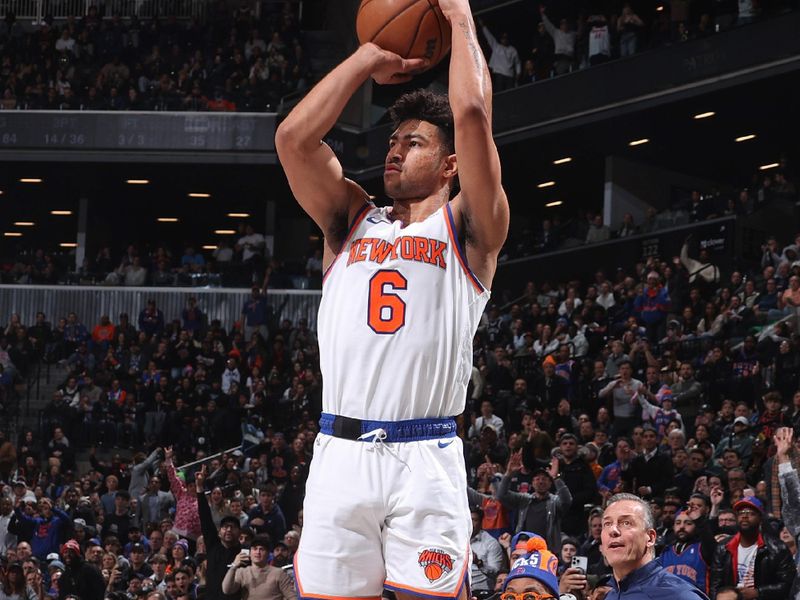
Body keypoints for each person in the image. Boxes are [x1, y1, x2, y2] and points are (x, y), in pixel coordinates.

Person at [274, 0, 509, 596]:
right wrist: (365, 58)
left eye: (415, 143)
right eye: (393, 140)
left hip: (424, 452)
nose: (395, 150)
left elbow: (474, 112)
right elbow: (294, 140)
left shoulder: (470, 227)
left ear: (450, 163)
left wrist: (458, 20)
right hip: (339, 449)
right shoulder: (350, 218)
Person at [600, 493, 709, 599]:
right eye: (607, 524)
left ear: (650, 538)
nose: (613, 530)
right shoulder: (608, 595)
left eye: (626, 523)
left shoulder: (680, 595)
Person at [708, 495, 795, 599]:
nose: (745, 516)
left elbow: (788, 585)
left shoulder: (777, 548)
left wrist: (758, 592)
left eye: (751, 513)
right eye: (741, 513)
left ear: (760, 518)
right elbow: (715, 586)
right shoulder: (723, 548)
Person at [497, 453, 571, 553]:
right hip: (525, 550)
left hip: (547, 551)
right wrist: (508, 474)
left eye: (544, 479)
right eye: (537, 479)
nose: (541, 481)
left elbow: (567, 501)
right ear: (532, 483)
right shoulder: (524, 499)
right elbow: (501, 496)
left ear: (550, 483)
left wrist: (556, 478)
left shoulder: (554, 501)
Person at [195, 466, 242, 600]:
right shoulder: (213, 546)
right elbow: (205, 517)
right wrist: (199, 488)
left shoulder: (243, 554)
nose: (228, 530)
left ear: (239, 532)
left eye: (232, 527)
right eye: (225, 527)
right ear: (220, 532)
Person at [222, 534, 296, 600]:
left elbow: (292, 597)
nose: (258, 552)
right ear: (250, 552)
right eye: (255, 549)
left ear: (268, 554)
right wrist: (233, 566)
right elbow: (227, 590)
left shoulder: (278, 573)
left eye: (262, 549)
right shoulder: (242, 572)